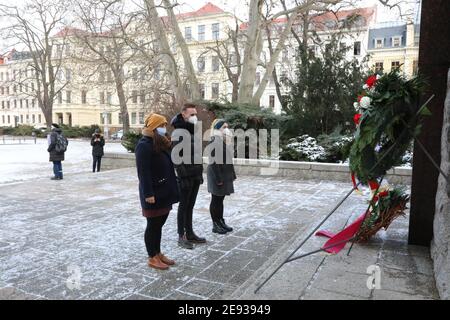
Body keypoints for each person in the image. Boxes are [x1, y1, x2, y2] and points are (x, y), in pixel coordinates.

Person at [135, 113, 179, 270]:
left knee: (160, 224)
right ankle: (152, 256)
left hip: (164, 192)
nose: (164, 128)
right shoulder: (144, 145)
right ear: (153, 127)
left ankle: (158, 252)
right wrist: (148, 194)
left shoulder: (161, 142)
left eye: (165, 125)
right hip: (153, 193)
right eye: (161, 125)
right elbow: (143, 172)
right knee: (153, 225)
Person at [171, 103, 206, 249]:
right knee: (183, 206)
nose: (194, 117)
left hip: (195, 175)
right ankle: (182, 235)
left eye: (195, 114)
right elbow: (175, 157)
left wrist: (200, 173)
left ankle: (190, 233)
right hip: (185, 177)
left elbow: (198, 154)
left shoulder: (194, 131)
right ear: (184, 114)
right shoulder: (178, 132)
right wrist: (183, 176)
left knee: (190, 206)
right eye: (192, 114)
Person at [207, 119, 236, 234]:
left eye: (227, 127)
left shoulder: (221, 141)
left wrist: (232, 175)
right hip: (217, 175)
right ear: (217, 129)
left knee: (220, 200)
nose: (226, 129)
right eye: (224, 127)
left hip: (224, 174)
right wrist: (219, 179)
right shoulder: (214, 141)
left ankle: (220, 221)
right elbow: (214, 162)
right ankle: (215, 224)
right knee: (216, 200)